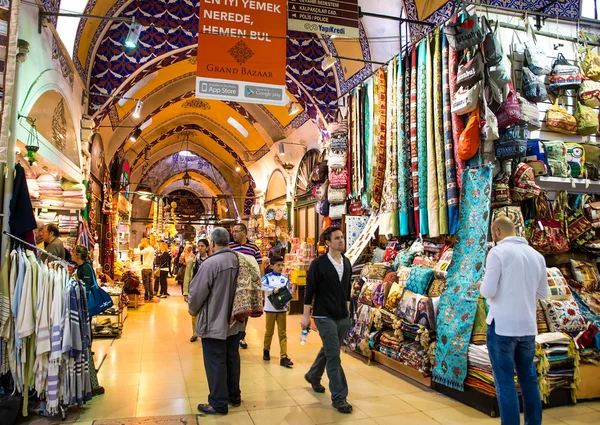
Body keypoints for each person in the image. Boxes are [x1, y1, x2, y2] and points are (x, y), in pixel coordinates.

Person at [479, 217, 548, 425]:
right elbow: (543, 293)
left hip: (502, 326)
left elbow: (488, 290)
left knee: (505, 382)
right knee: (528, 379)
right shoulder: (537, 256)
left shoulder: (497, 253)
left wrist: (481, 286)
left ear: (497, 231)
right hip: (527, 327)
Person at [188, 228, 246, 415]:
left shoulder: (211, 264)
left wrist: (192, 310)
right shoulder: (239, 260)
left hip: (214, 320)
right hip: (235, 319)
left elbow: (197, 293)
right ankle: (233, 396)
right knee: (232, 357)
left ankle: (218, 403)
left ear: (212, 243)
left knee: (215, 360)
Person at [302, 226, 353, 414]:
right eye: (337, 238)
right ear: (328, 243)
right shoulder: (319, 264)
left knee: (329, 350)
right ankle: (340, 397)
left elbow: (347, 289)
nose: (342, 240)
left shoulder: (346, 263)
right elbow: (310, 290)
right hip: (323, 315)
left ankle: (313, 375)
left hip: (341, 316)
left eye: (342, 237)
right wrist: (306, 316)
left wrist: (347, 309)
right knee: (334, 356)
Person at [229, 223, 263, 349]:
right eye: (233, 231)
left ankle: (241, 336)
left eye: (236, 231)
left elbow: (258, 265)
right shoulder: (230, 246)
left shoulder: (253, 247)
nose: (234, 234)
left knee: (245, 309)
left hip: (248, 285)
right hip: (233, 283)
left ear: (244, 232)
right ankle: (232, 334)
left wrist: (260, 283)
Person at [261, 256, 294, 368]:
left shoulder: (285, 278)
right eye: (278, 265)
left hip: (282, 310)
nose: (280, 267)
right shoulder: (267, 278)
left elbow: (288, 292)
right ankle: (266, 349)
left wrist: (287, 304)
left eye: (282, 265)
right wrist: (272, 289)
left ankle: (284, 357)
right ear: (271, 266)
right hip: (270, 309)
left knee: (282, 333)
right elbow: (261, 286)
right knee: (269, 332)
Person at [184, 239, 210, 342]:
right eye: (198, 246)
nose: (200, 248)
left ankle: (205, 331)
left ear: (207, 247)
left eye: (202, 246)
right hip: (195, 289)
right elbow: (187, 277)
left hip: (207, 289)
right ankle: (195, 333)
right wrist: (186, 292)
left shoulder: (210, 260)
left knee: (206, 311)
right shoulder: (192, 261)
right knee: (194, 311)